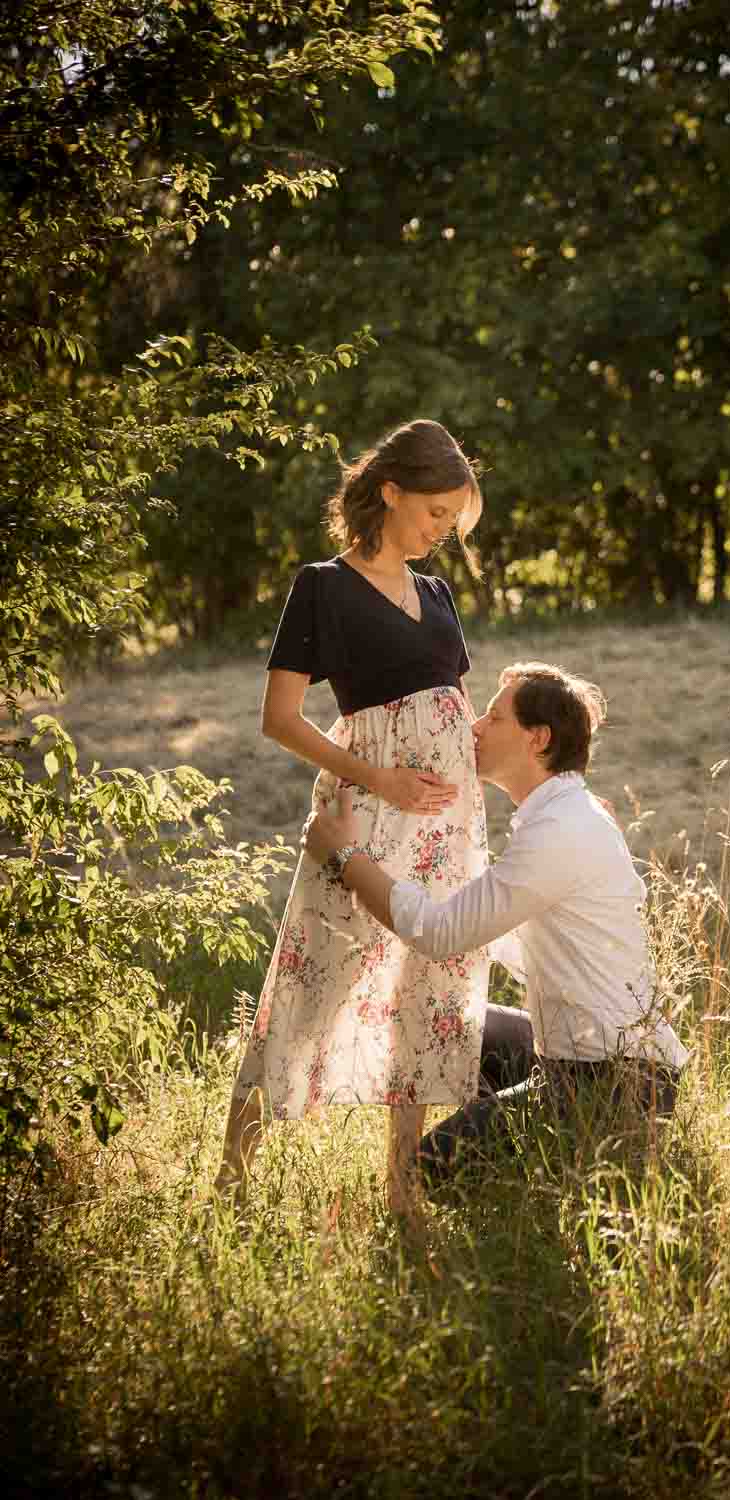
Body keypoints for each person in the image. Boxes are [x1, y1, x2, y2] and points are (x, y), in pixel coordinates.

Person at [215, 418, 492, 1216]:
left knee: (426, 984)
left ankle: (402, 1185)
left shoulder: (436, 594)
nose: (443, 532)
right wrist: (378, 777)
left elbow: (451, 709)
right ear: (392, 491)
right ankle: (233, 1178)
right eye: (435, 512)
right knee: (314, 984)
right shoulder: (323, 586)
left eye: (453, 517)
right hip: (366, 806)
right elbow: (280, 718)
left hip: (446, 825)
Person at [303, 662, 690, 1194]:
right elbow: (502, 937)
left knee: (428, 1173)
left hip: (616, 1083)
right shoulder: (563, 816)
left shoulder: (560, 830)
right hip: (568, 1054)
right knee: (443, 1012)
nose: (475, 727)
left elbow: (440, 933)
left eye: (494, 716)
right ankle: (511, 1125)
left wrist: (345, 857)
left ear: (538, 739)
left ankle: (545, 1169)